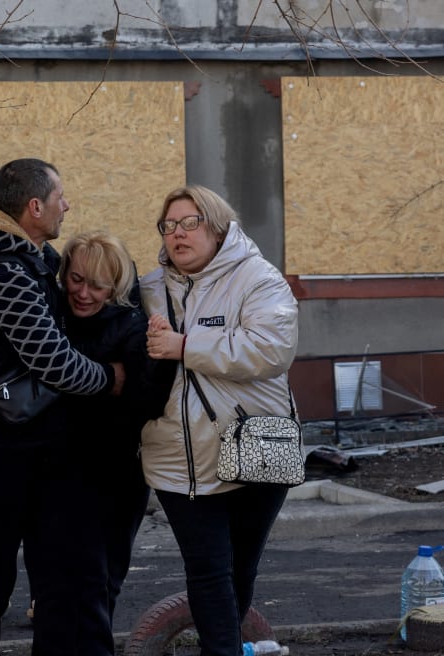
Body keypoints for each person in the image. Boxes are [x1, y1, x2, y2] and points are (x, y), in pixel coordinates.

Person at [0, 158, 122, 656]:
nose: (66, 205)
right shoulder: (4, 273)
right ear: (35, 206)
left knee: (52, 575)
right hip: (4, 450)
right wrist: (111, 378)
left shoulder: (29, 261)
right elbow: (55, 364)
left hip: (35, 445)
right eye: (60, 198)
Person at [140, 185, 299, 656]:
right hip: (177, 456)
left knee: (241, 568)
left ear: (217, 226)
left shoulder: (258, 279)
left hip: (254, 446)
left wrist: (185, 347)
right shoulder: (148, 289)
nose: (177, 235)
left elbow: (271, 349)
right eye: (169, 226)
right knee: (207, 570)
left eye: (190, 223)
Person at [42, 230, 153, 655]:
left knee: (101, 581)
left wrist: (76, 382)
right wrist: (107, 379)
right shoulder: (53, 314)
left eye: (97, 285)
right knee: (59, 583)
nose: (83, 293)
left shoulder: (132, 325)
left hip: (114, 473)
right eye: (76, 279)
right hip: (57, 466)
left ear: (117, 287)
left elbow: (143, 399)